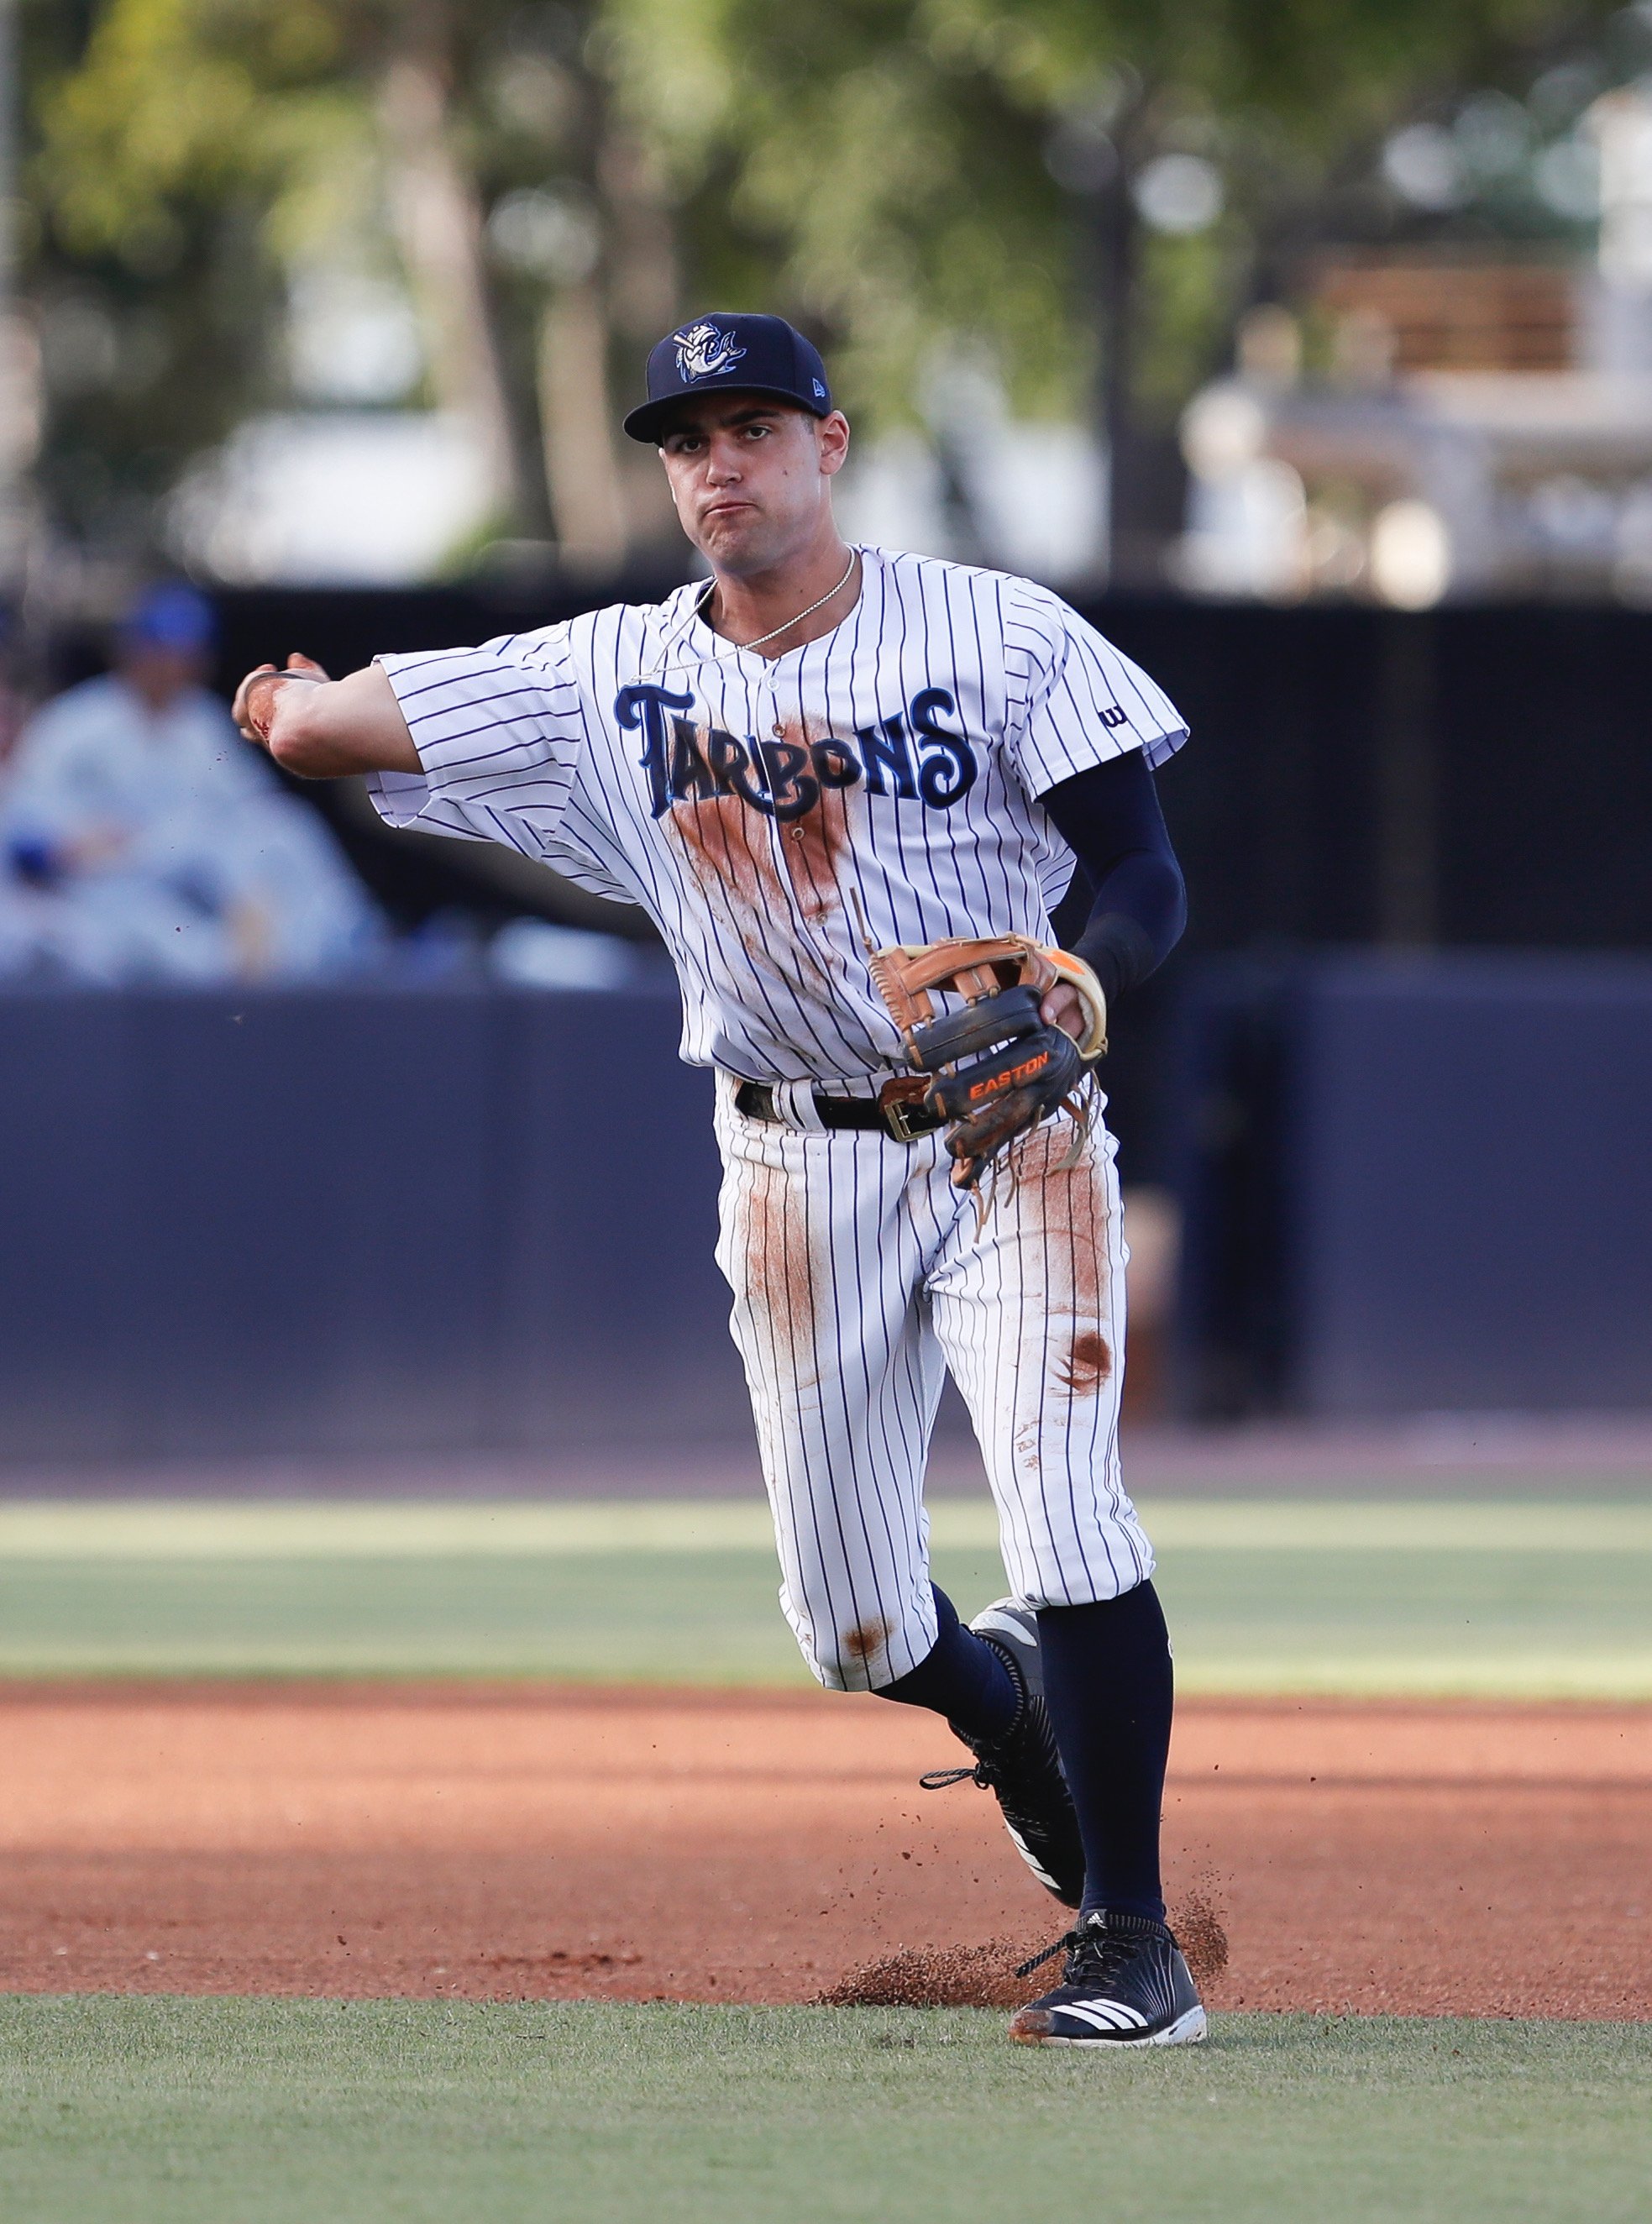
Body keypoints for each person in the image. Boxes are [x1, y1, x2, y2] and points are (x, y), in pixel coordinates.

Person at [233, 314, 1202, 2049]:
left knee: (1062, 1511)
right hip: (784, 1156)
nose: (718, 465)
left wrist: (1074, 985)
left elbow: (1137, 859)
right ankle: (1005, 1718)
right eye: (685, 441)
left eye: (753, 425)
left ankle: (1129, 1935)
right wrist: (285, 707)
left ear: (830, 445)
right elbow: (333, 729)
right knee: (847, 1625)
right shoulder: (606, 671)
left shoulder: (988, 630)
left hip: (1009, 1133)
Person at [0, 582, 377, 983]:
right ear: (131, 650)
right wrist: (64, 844)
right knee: (170, 946)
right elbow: (22, 820)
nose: (171, 666)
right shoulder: (77, 723)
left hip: (197, 875)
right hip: (114, 886)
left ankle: (366, 944)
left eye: (184, 654)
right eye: (160, 651)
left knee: (285, 825)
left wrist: (251, 891)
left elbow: (253, 811)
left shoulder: (203, 723)